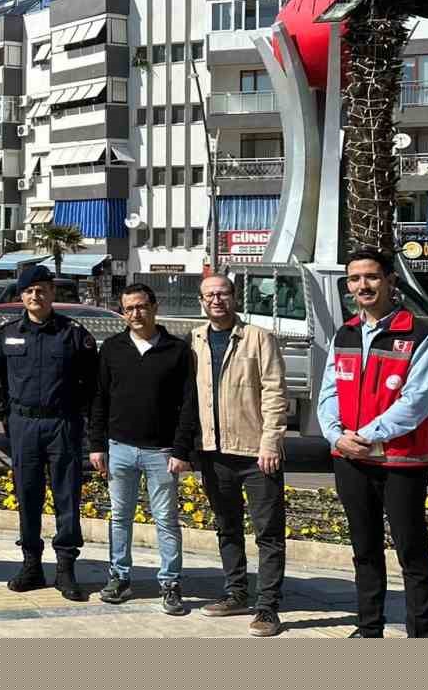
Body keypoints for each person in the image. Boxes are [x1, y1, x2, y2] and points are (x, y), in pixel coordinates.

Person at [317, 248, 428, 639]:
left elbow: (416, 402)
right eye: (354, 279)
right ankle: (369, 629)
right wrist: (337, 436)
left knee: (412, 553)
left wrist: (366, 436)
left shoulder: (418, 334)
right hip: (350, 459)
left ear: (390, 281)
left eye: (370, 277)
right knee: (364, 549)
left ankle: (420, 636)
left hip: (400, 462)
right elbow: (328, 392)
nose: (362, 286)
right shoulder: (346, 332)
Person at [187, 273, 289, 637]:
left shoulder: (259, 338)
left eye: (223, 293)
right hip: (213, 452)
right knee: (226, 527)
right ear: (201, 301)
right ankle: (236, 593)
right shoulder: (195, 339)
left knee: (268, 532)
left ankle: (267, 606)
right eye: (210, 294)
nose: (217, 300)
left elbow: (276, 393)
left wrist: (270, 442)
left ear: (235, 297)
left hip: (255, 453)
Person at [90, 283, 198, 616]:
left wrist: (181, 451)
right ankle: (120, 577)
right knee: (119, 517)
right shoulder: (112, 348)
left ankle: (170, 583)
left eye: (141, 306)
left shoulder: (177, 350)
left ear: (154, 307)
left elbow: (188, 404)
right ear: (122, 312)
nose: (136, 314)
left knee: (166, 519)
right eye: (129, 308)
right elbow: (99, 399)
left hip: (161, 452)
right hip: (119, 448)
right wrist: (96, 445)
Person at [0, 264, 97, 601]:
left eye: (41, 290)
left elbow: (91, 385)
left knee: (67, 496)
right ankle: (31, 564)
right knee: (27, 495)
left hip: (62, 424)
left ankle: (65, 568)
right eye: (28, 291)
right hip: (24, 424)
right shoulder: (8, 333)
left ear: (52, 293)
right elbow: (6, 383)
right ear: (21, 296)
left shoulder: (74, 334)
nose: (35, 296)